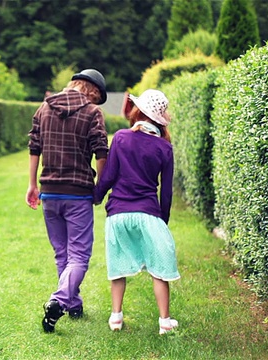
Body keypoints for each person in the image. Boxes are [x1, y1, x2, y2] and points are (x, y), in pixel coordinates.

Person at [26, 69, 109, 333]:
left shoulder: (44, 108)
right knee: (79, 256)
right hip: (78, 193)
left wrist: (31, 185)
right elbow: (101, 151)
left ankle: (73, 303)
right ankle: (59, 300)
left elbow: (33, 147)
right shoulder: (92, 112)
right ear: (93, 91)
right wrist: (100, 186)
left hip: (49, 191)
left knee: (62, 253)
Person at [93, 89, 180, 335]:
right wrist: (162, 220)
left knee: (118, 267)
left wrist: (96, 197)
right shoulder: (165, 148)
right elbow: (167, 192)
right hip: (148, 214)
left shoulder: (120, 138)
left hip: (118, 214)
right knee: (159, 269)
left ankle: (116, 318)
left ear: (138, 111)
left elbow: (108, 175)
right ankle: (164, 321)